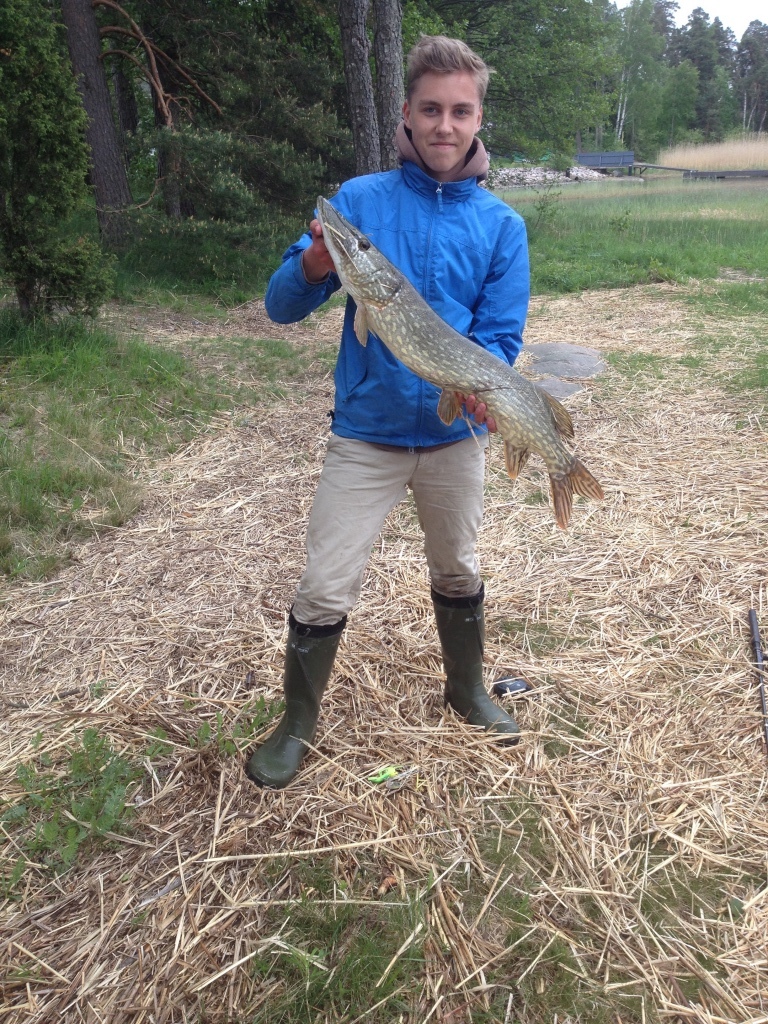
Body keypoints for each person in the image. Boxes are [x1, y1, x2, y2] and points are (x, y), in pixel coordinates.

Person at [246, 35, 530, 789]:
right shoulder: (359, 203)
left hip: (453, 434)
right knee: (324, 583)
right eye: (430, 109)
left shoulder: (501, 226)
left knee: (459, 568)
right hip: (366, 434)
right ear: (406, 112)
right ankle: (296, 723)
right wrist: (314, 263)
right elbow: (280, 305)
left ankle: (467, 689)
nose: (444, 125)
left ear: (478, 119)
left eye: (460, 111)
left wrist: (483, 388)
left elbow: (499, 340)